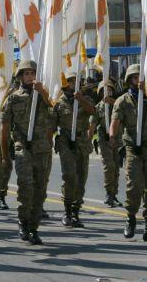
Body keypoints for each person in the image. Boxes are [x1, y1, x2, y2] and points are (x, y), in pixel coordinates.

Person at [110, 64, 147, 242]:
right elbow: (115, 121)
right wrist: (112, 136)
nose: (138, 81)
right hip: (133, 148)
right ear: (129, 80)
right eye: (135, 78)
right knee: (133, 186)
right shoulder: (123, 101)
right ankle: (130, 218)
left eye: (141, 78)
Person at [0, 60, 52, 245]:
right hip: (23, 147)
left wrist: (43, 91)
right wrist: (5, 155)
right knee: (26, 186)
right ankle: (23, 222)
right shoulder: (13, 98)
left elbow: (52, 106)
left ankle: (34, 227)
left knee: (40, 190)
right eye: (27, 73)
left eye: (33, 73)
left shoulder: (43, 95)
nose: (30, 76)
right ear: (21, 76)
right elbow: (5, 129)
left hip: (42, 148)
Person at [50, 71, 95, 227]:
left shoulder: (85, 98)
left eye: (77, 80)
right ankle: (67, 211)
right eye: (71, 81)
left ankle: (76, 212)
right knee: (70, 176)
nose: (74, 83)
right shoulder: (58, 102)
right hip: (65, 141)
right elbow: (51, 126)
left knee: (81, 178)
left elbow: (92, 111)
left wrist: (80, 99)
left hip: (82, 141)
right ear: (65, 83)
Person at [89, 80, 123, 208]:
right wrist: (88, 142)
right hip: (104, 138)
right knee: (109, 166)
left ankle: (114, 194)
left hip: (118, 139)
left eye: (109, 89)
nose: (106, 92)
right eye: (104, 90)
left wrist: (113, 103)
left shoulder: (119, 104)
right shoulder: (98, 107)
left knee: (116, 168)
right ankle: (109, 194)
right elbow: (92, 126)